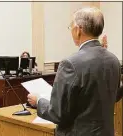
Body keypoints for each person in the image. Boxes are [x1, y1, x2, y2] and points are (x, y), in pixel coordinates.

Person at [27, 7, 121, 136]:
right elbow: (114, 95)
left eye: (71, 26)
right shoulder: (114, 60)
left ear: (78, 29)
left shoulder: (70, 64)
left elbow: (57, 113)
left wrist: (38, 101)